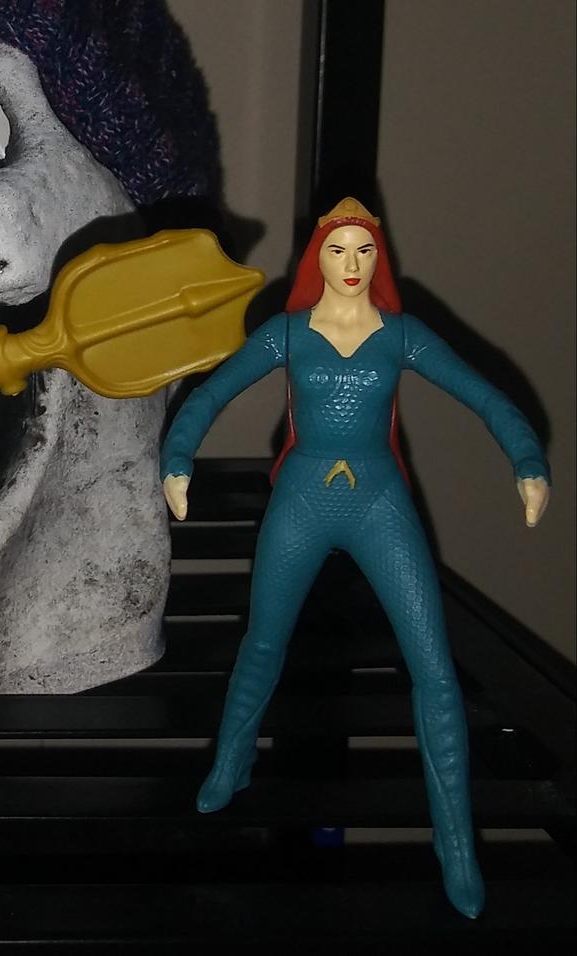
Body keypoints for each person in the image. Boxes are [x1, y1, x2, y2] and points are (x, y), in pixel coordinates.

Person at [159, 197, 551, 919]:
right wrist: (178, 457)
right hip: (302, 500)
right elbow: (212, 390)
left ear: (379, 257)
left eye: (363, 250)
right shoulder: (288, 333)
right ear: (318, 257)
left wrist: (526, 459)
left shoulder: (400, 336)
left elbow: (483, 393)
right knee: (264, 639)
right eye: (337, 250)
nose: (350, 263)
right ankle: (231, 762)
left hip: (378, 502)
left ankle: (456, 840)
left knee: (434, 667)